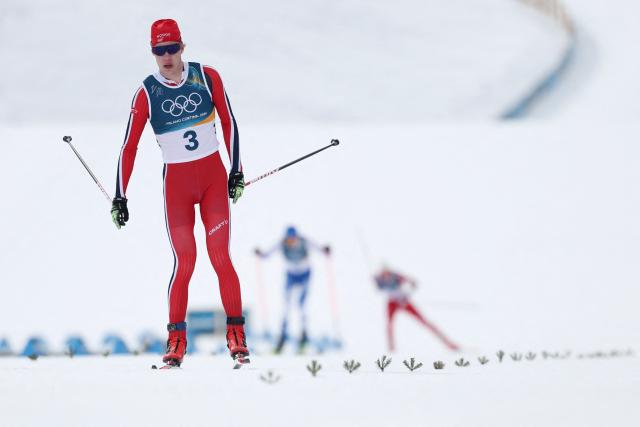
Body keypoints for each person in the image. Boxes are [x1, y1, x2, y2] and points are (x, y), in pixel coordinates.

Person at [110, 19, 248, 367]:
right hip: (178, 188)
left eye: (172, 49)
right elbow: (129, 147)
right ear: (152, 53)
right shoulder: (146, 93)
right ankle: (176, 341)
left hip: (214, 180)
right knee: (185, 261)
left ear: (182, 48)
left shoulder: (208, 76)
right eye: (159, 51)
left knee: (220, 256)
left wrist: (236, 170)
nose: (167, 57)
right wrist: (120, 196)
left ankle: (236, 336)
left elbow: (229, 122)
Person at [255, 226, 330, 353]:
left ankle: (303, 336)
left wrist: (325, 250)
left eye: (293, 239)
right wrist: (260, 254)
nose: (291, 242)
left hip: (304, 275)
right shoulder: (282, 243)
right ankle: (282, 337)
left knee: (301, 305)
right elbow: (268, 254)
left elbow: (317, 248)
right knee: (286, 306)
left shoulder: (304, 241)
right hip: (290, 275)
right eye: (289, 239)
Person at [375, 267, 459, 352]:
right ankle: (391, 349)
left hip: (404, 301)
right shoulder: (380, 280)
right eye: (383, 273)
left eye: (387, 273)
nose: (386, 275)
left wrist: (409, 290)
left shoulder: (396, 276)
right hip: (392, 303)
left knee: (424, 321)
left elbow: (412, 282)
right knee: (389, 325)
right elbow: (379, 288)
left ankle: (448, 343)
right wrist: (376, 281)